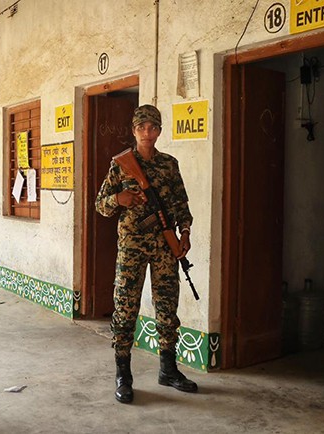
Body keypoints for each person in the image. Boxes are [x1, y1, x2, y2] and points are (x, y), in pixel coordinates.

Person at [95, 104, 198, 404]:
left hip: (165, 246)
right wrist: (119, 198)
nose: (147, 133)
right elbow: (100, 204)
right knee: (126, 307)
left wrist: (185, 233)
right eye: (141, 127)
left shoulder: (169, 165)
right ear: (133, 130)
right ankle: (123, 375)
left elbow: (180, 203)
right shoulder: (121, 165)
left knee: (167, 306)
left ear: (160, 131)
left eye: (153, 127)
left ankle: (168, 369)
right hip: (133, 246)